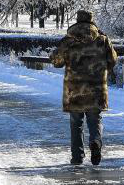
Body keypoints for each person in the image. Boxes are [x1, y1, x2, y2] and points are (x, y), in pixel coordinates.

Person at [50, 10, 118, 165]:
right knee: (95, 120)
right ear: (91, 21)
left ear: (77, 20)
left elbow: (56, 62)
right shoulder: (102, 39)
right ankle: (95, 142)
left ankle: (77, 157)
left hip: (75, 90)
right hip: (96, 89)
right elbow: (112, 60)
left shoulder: (68, 40)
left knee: (76, 123)